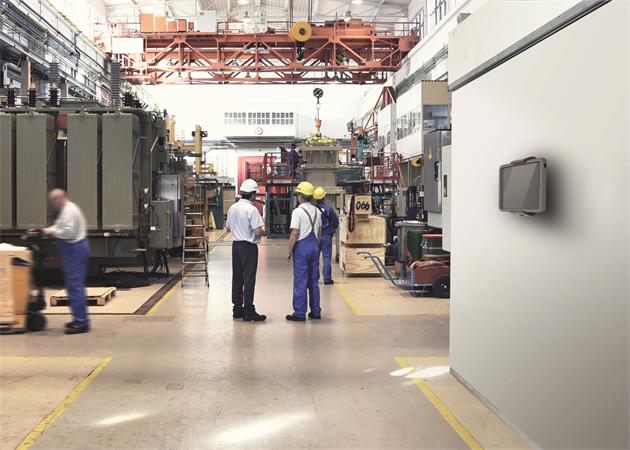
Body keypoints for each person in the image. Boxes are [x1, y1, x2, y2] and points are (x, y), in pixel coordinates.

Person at [41, 189, 90, 334]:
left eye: (53, 201)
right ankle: (78, 318)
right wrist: (46, 230)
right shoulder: (66, 210)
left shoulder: (69, 210)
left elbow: (68, 232)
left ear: (60, 198)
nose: (53, 204)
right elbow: (59, 227)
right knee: (72, 286)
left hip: (75, 249)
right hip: (72, 250)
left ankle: (81, 322)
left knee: (75, 286)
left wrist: (51, 232)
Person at [226, 179, 267, 322]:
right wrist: (264, 231)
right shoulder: (252, 209)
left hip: (236, 246)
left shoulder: (233, 208)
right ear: (253, 194)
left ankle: (237, 309)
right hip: (248, 248)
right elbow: (258, 231)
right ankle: (249, 310)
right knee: (249, 278)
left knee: (237, 277)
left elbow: (228, 228)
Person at [286, 181, 322, 322]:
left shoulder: (297, 212)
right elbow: (319, 231)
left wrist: (289, 250)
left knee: (300, 281)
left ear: (300, 196)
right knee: (313, 281)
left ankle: (300, 313)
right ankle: (316, 311)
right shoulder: (317, 211)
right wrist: (315, 246)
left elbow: (295, 233)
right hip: (314, 247)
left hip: (302, 248)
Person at [313, 187, 339, 285]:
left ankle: (314, 279)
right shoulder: (329, 209)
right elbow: (336, 222)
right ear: (324, 197)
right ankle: (327, 279)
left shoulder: (313, 209)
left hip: (316, 237)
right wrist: (331, 230)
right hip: (326, 236)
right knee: (327, 258)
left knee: (315, 259)